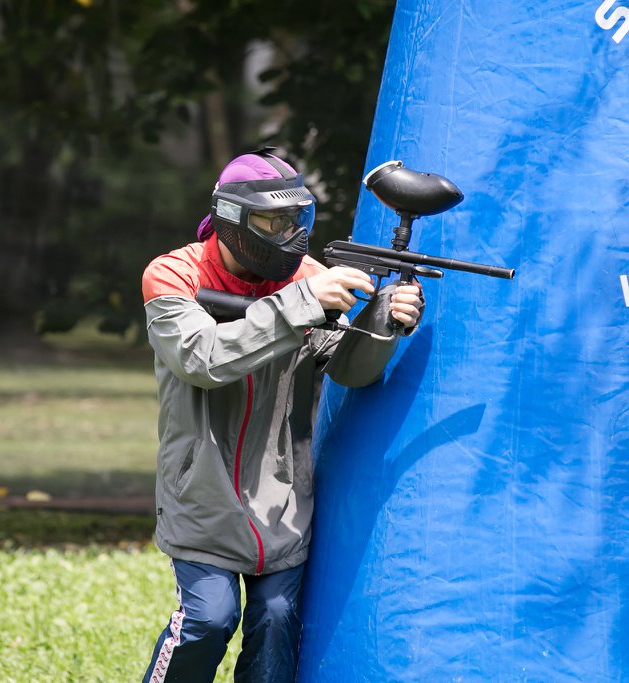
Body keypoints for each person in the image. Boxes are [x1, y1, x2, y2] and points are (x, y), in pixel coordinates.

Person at [140, 148, 424, 683]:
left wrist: (384, 321)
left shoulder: (308, 277)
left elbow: (347, 369)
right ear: (232, 220)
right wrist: (301, 304)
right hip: (203, 491)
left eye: (297, 220)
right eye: (273, 221)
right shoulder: (172, 274)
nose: (290, 235)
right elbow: (202, 360)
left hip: (283, 496)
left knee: (275, 621)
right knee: (208, 618)